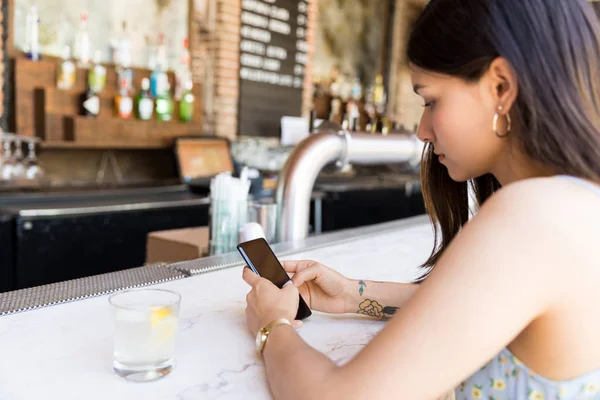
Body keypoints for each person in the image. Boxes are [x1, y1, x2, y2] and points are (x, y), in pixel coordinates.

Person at [242, 0, 600, 398]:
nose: (422, 130)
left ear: (501, 87)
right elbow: (475, 310)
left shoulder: (532, 215)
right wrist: (353, 295)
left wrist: (272, 325)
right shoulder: (575, 203)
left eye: (431, 101)